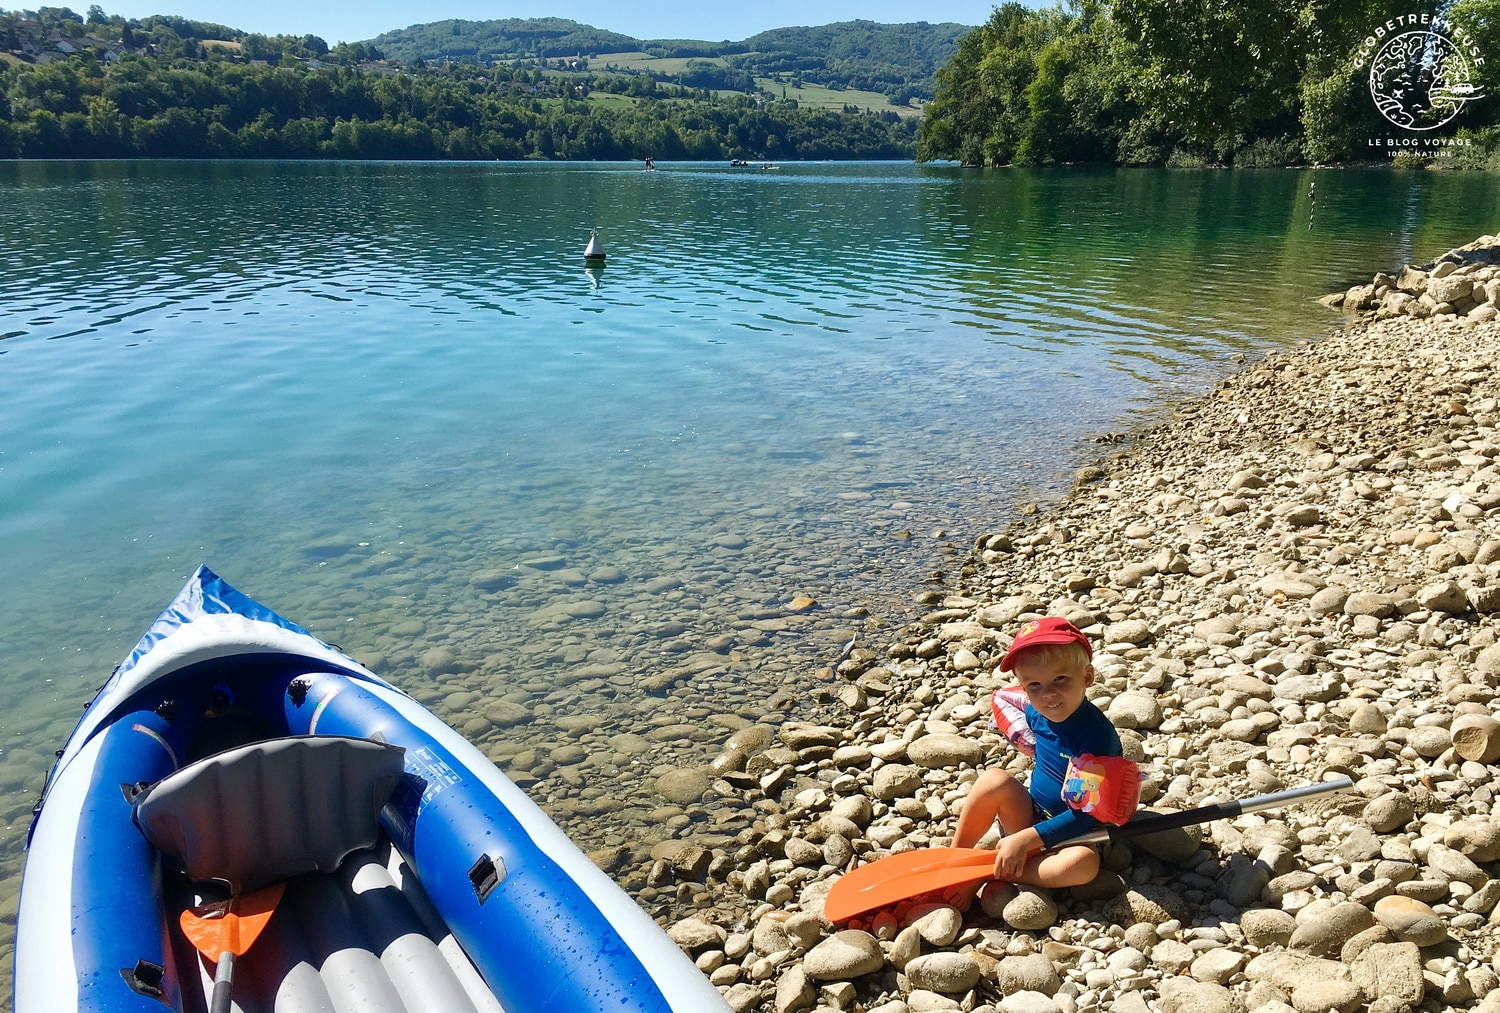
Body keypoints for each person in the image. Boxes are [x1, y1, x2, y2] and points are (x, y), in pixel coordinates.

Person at [951, 616, 1124, 889]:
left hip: (1076, 834)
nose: (1047, 694)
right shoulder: (1034, 712)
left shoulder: (1097, 738)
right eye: (1034, 685)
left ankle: (993, 872)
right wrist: (1026, 832)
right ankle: (956, 859)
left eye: (1060, 679)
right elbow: (1007, 702)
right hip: (1031, 814)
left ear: (1087, 677)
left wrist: (1027, 839)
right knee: (992, 779)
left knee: (1081, 866)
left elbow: (1087, 814)